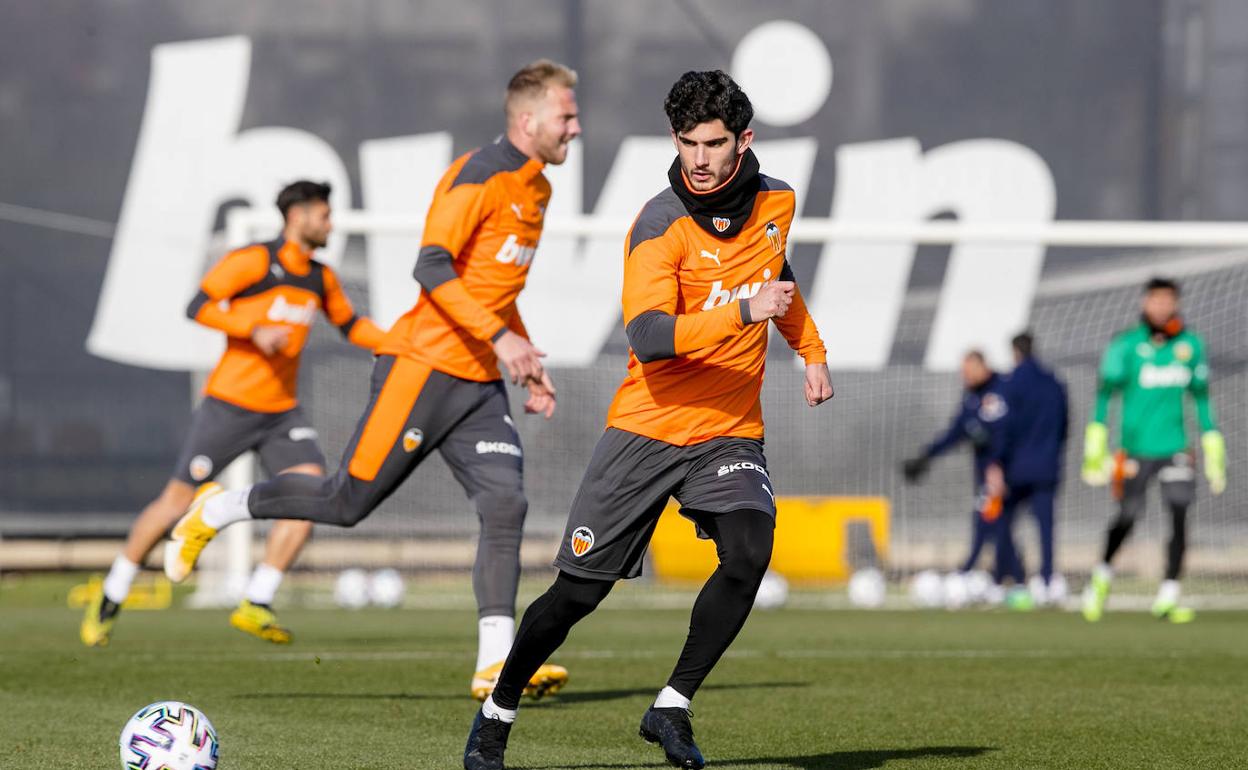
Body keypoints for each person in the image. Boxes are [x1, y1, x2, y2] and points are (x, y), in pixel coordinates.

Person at [161, 60, 582, 697]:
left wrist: (524, 362)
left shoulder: (538, 189)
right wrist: (502, 339)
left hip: (476, 384)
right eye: (566, 116)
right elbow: (432, 266)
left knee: (506, 504)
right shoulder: (480, 176)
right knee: (345, 503)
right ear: (528, 120)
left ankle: (494, 665)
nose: (575, 128)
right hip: (421, 367)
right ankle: (218, 509)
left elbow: (496, 289)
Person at [462, 69, 833, 770]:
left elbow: (776, 277)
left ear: (743, 141)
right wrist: (742, 313)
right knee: (576, 595)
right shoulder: (659, 223)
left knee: (750, 553)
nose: (698, 157)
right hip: (648, 427)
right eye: (687, 141)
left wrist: (810, 351)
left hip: (728, 427)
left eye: (713, 142)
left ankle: (671, 707)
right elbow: (651, 336)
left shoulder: (778, 200)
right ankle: (495, 714)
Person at [80, 180, 386, 647]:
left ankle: (255, 600)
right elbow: (198, 305)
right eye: (324, 214)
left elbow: (350, 325)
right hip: (228, 406)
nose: (330, 223)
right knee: (175, 503)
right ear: (297, 216)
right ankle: (112, 594)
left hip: (282, 413)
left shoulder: (321, 277)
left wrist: (401, 344)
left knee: (309, 497)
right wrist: (252, 328)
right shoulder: (253, 261)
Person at [1080, 277, 1225, 623]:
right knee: (1128, 516)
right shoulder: (1127, 345)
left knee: (1178, 512)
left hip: (1175, 447)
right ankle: (1101, 577)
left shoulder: (1190, 346)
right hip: (1135, 450)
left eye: (1167, 301)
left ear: (1176, 304)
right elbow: (1104, 395)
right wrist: (1096, 442)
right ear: (1145, 303)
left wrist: (1212, 442)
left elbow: (1201, 399)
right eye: (1155, 300)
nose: (1161, 307)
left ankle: (1169, 593)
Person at [902, 350, 1021, 595]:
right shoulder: (972, 397)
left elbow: (1006, 434)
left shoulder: (1001, 392)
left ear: (981, 366)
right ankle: (1013, 576)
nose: (964, 377)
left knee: (987, 520)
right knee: (996, 524)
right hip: (985, 473)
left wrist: (997, 466)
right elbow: (956, 432)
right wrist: (927, 456)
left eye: (967, 371)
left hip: (1002, 472)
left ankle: (972, 572)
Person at [984, 332, 1069, 608]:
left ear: (1014, 352)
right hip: (1046, 465)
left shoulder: (1010, 384)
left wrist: (996, 462)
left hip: (1016, 467)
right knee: (1045, 526)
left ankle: (1007, 578)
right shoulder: (1054, 383)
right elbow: (1065, 425)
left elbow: (1004, 427)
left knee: (1002, 521)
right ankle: (1046, 581)